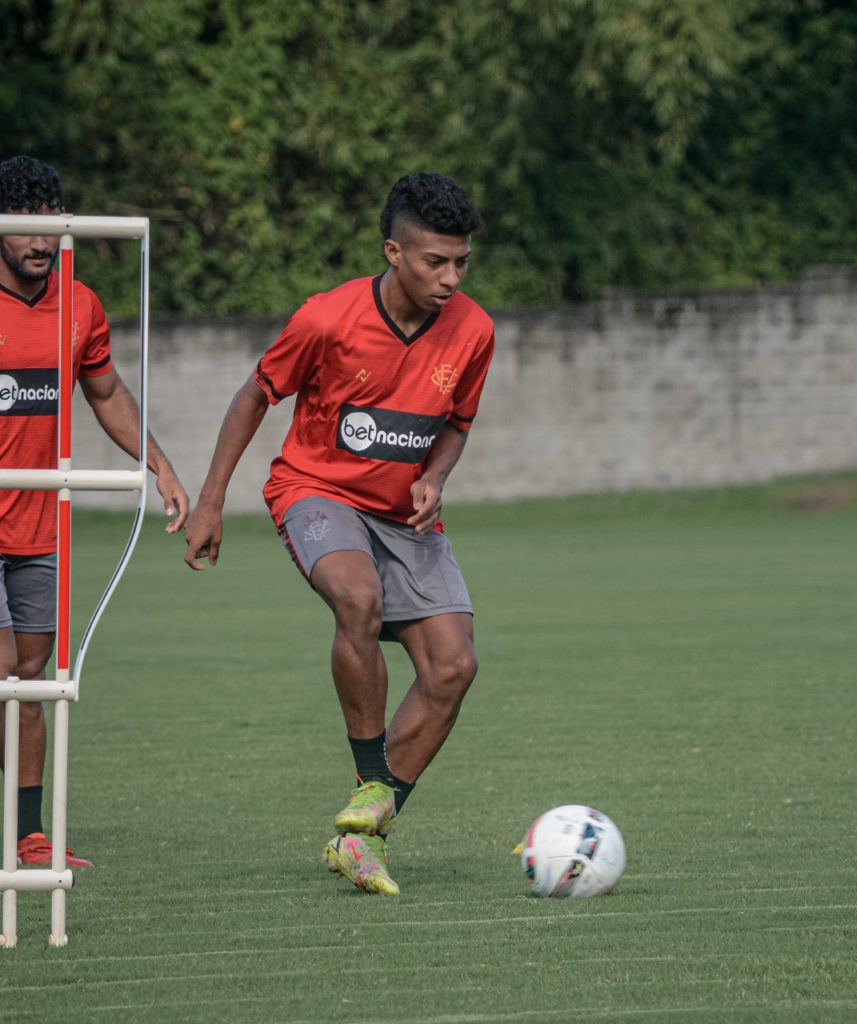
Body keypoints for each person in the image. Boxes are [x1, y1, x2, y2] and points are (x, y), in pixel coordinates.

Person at [183, 172, 494, 895]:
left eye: (462, 262)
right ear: (393, 251)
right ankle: (369, 778)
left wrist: (436, 476)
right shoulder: (327, 319)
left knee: (454, 667)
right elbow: (254, 395)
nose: (451, 278)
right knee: (358, 599)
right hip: (315, 491)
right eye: (434, 262)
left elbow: (459, 422)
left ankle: (364, 834)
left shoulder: (475, 330)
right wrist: (210, 501)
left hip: (404, 514)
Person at [0, 155, 190, 867]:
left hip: (41, 524)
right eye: (25, 226)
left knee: (32, 679)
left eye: (52, 222)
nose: (41, 240)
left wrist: (161, 467)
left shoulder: (78, 305)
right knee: (4, 675)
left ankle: (29, 835)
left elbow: (108, 395)